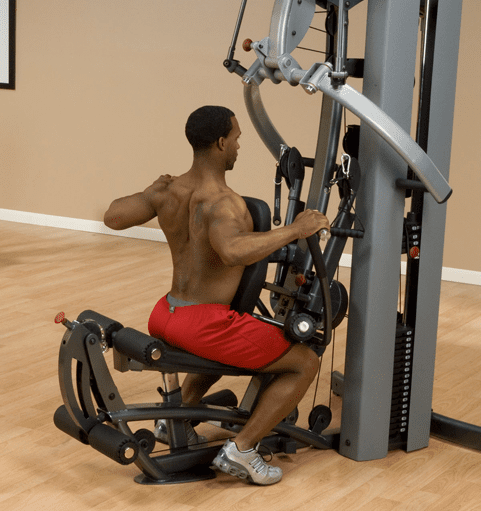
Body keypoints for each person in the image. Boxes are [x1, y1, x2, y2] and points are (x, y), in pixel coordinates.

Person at [104, 105, 330, 485]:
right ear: (221, 143)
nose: (239, 146)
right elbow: (232, 251)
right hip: (204, 323)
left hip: (165, 313)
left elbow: (113, 216)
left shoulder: (169, 191)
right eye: (237, 139)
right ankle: (243, 449)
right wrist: (295, 229)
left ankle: (173, 423)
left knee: (222, 349)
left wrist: (149, 193)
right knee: (305, 361)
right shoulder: (224, 202)